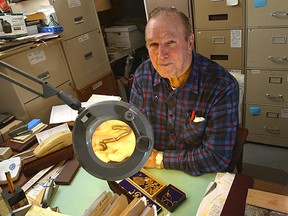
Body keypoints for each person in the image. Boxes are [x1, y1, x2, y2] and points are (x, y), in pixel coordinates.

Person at [129, 7, 239, 176]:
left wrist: (160, 159)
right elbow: (135, 129)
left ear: (189, 43)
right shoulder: (142, 75)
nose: (161, 55)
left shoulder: (221, 86)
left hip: (196, 174)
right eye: (153, 45)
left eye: (170, 42)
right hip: (152, 171)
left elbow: (217, 157)